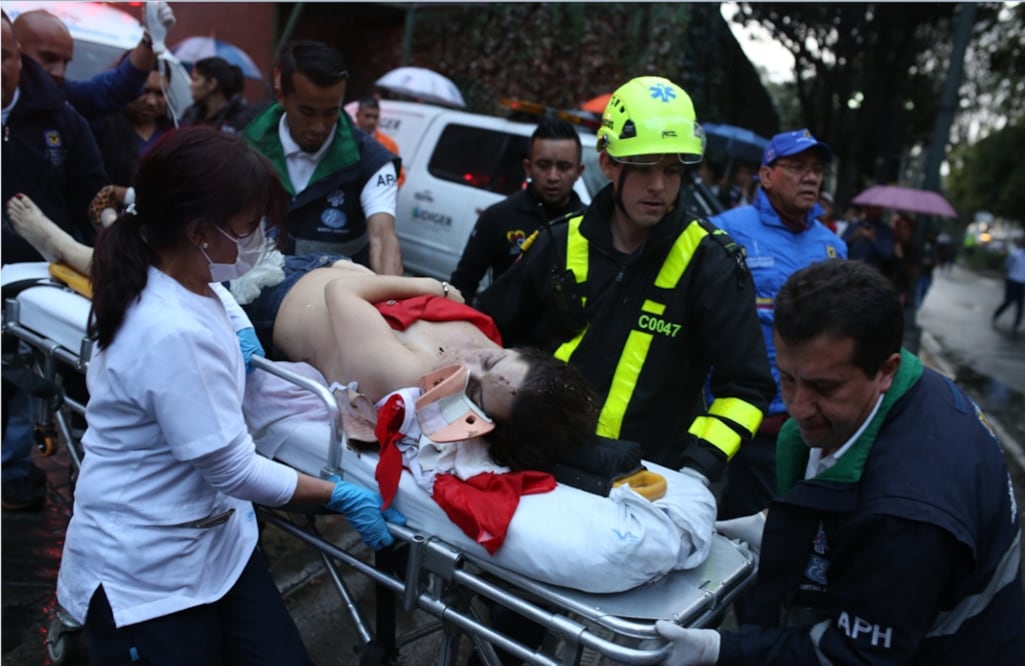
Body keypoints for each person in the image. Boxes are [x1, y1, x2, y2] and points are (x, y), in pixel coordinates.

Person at [55, 126, 405, 665]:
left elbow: (217, 297)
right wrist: (337, 495)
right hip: (148, 574)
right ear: (199, 232)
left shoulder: (178, 274)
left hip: (221, 546)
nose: (261, 239)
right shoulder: (170, 332)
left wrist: (239, 328)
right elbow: (236, 471)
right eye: (248, 228)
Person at [4, 196, 599, 472]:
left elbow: (345, 297)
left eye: (481, 385)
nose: (477, 363)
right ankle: (122, 220)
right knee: (187, 229)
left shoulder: (413, 378)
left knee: (152, 277)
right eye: (499, 359)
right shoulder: (491, 347)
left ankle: (73, 248)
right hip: (315, 269)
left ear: (482, 418)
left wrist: (429, 284)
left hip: (274, 303)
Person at [655, 259, 1025, 665]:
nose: (798, 407)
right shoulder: (910, 388)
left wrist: (720, 650)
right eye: (788, 378)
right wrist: (775, 523)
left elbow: (856, 655)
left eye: (824, 388)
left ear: (886, 370)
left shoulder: (905, 515)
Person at [477, 75, 775, 489]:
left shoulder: (711, 263)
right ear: (608, 163)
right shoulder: (559, 242)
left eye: (672, 171)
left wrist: (696, 471)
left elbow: (746, 387)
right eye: (644, 167)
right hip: (542, 464)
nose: (659, 186)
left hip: (648, 480)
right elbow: (489, 332)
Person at [710, 128, 847, 520]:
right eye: (798, 167)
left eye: (817, 170)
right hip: (745, 420)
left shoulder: (833, 246)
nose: (811, 178)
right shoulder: (725, 230)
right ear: (767, 175)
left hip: (812, 424)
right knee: (741, 528)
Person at [2, 9, 109, 510]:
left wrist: (110, 230)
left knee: (28, 382)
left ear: (17, 56)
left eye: (3, 56)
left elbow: (93, 191)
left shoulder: (61, 119)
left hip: (37, 275)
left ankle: (13, 473)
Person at [243, 40, 403, 275]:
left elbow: (383, 239)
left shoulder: (372, 162)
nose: (319, 127)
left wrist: (391, 292)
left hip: (334, 295)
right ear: (282, 96)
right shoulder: (245, 147)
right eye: (307, 112)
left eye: (331, 113)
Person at [449, 115, 586, 303]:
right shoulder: (497, 217)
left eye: (563, 167)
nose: (553, 176)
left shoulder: (591, 224)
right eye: (543, 165)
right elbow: (462, 286)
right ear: (527, 168)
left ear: (579, 171)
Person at [12, 2, 175, 122]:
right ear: (14, 52)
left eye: (66, 63)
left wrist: (149, 39)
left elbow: (117, 88)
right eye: (48, 58)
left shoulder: (63, 103)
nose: (59, 72)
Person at [180, 56, 265, 134]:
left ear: (212, 84)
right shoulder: (191, 114)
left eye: (195, 79)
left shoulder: (239, 120)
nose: (191, 85)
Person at [353, 95, 405, 187]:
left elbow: (399, 176)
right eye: (367, 116)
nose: (371, 121)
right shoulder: (346, 137)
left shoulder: (389, 144)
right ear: (357, 115)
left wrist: (382, 189)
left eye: (375, 117)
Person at [991, 234, 1025, 335]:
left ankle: (1016, 324)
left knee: (1020, 305)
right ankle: (996, 315)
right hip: (1012, 281)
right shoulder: (1015, 254)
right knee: (1008, 301)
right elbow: (1007, 265)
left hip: (1022, 283)